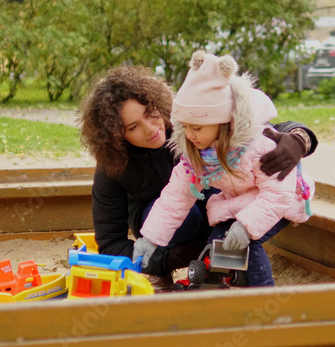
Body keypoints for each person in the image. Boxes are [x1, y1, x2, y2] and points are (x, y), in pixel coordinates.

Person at [78, 61, 318, 290]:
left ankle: (258, 292)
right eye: (133, 127)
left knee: (233, 238)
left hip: (261, 202)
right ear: (117, 137)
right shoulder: (121, 162)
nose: (151, 128)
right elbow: (115, 240)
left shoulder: (199, 123)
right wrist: (159, 254)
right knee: (199, 224)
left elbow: (261, 129)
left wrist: (299, 138)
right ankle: (226, 274)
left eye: (150, 113)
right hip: (176, 225)